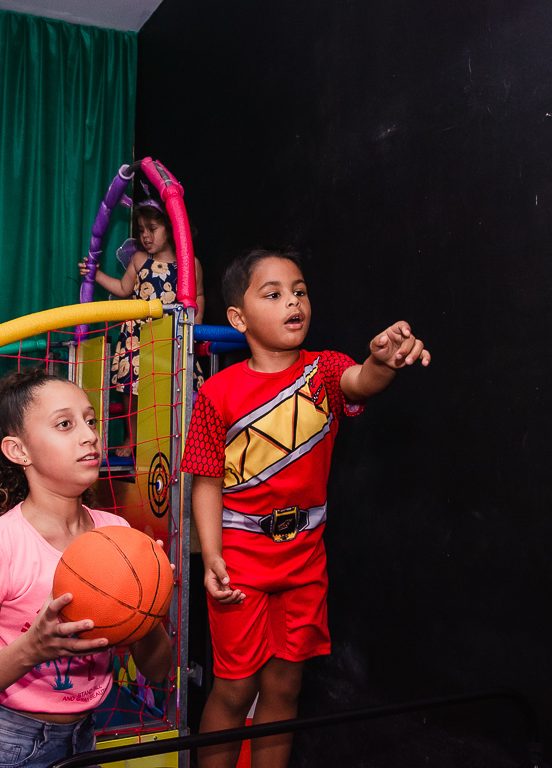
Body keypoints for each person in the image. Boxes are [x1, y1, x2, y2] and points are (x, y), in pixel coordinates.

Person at [180, 246, 431, 768]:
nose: (293, 302)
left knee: (285, 687)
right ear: (237, 317)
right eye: (273, 294)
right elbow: (204, 482)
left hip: (304, 561)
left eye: (299, 291)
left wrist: (383, 361)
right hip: (240, 561)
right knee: (232, 690)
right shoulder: (217, 393)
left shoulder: (325, 370)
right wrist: (212, 556)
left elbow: (361, 381)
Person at [0, 369, 173, 768]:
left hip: (84, 737)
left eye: (90, 420)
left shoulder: (118, 534)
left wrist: (154, 603)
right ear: (19, 451)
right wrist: (29, 651)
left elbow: (158, 669)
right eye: (64, 424)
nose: (89, 434)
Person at [79, 176, 205, 457]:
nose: (145, 235)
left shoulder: (189, 264)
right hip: (136, 336)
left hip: (172, 336)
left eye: (152, 228)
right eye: (141, 230)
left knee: (172, 388)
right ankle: (131, 437)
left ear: (171, 229)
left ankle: (173, 439)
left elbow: (198, 297)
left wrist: (194, 325)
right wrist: (95, 274)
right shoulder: (138, 259)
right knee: (130, 388)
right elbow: (124, 289)